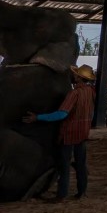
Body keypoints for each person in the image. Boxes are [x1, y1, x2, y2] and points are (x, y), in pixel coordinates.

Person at [23, 65, 97, 202]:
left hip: (69, 134)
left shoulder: (74, 94)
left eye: (75, 75)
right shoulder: (91, 92)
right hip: (83, 133)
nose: (73, 76)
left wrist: (38, 117)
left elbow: (61, 114)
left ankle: (61, 195)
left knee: (64, 165)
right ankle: (82, 192)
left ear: (79, 78)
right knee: (81, 164)